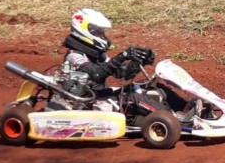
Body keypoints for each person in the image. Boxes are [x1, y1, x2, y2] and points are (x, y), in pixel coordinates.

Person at [61, 8, 195, 119]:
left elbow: (120, 73)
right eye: (99, 32)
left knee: (153, 87)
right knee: (135, 97)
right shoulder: (74, 55)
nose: (103, 36)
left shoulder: (96, 54)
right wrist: (123, 56)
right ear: (85, 30)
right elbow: (96, 73)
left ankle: (186, 108)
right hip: (87, 103)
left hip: (101, 95)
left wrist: (139, 61)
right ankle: (174, 120)